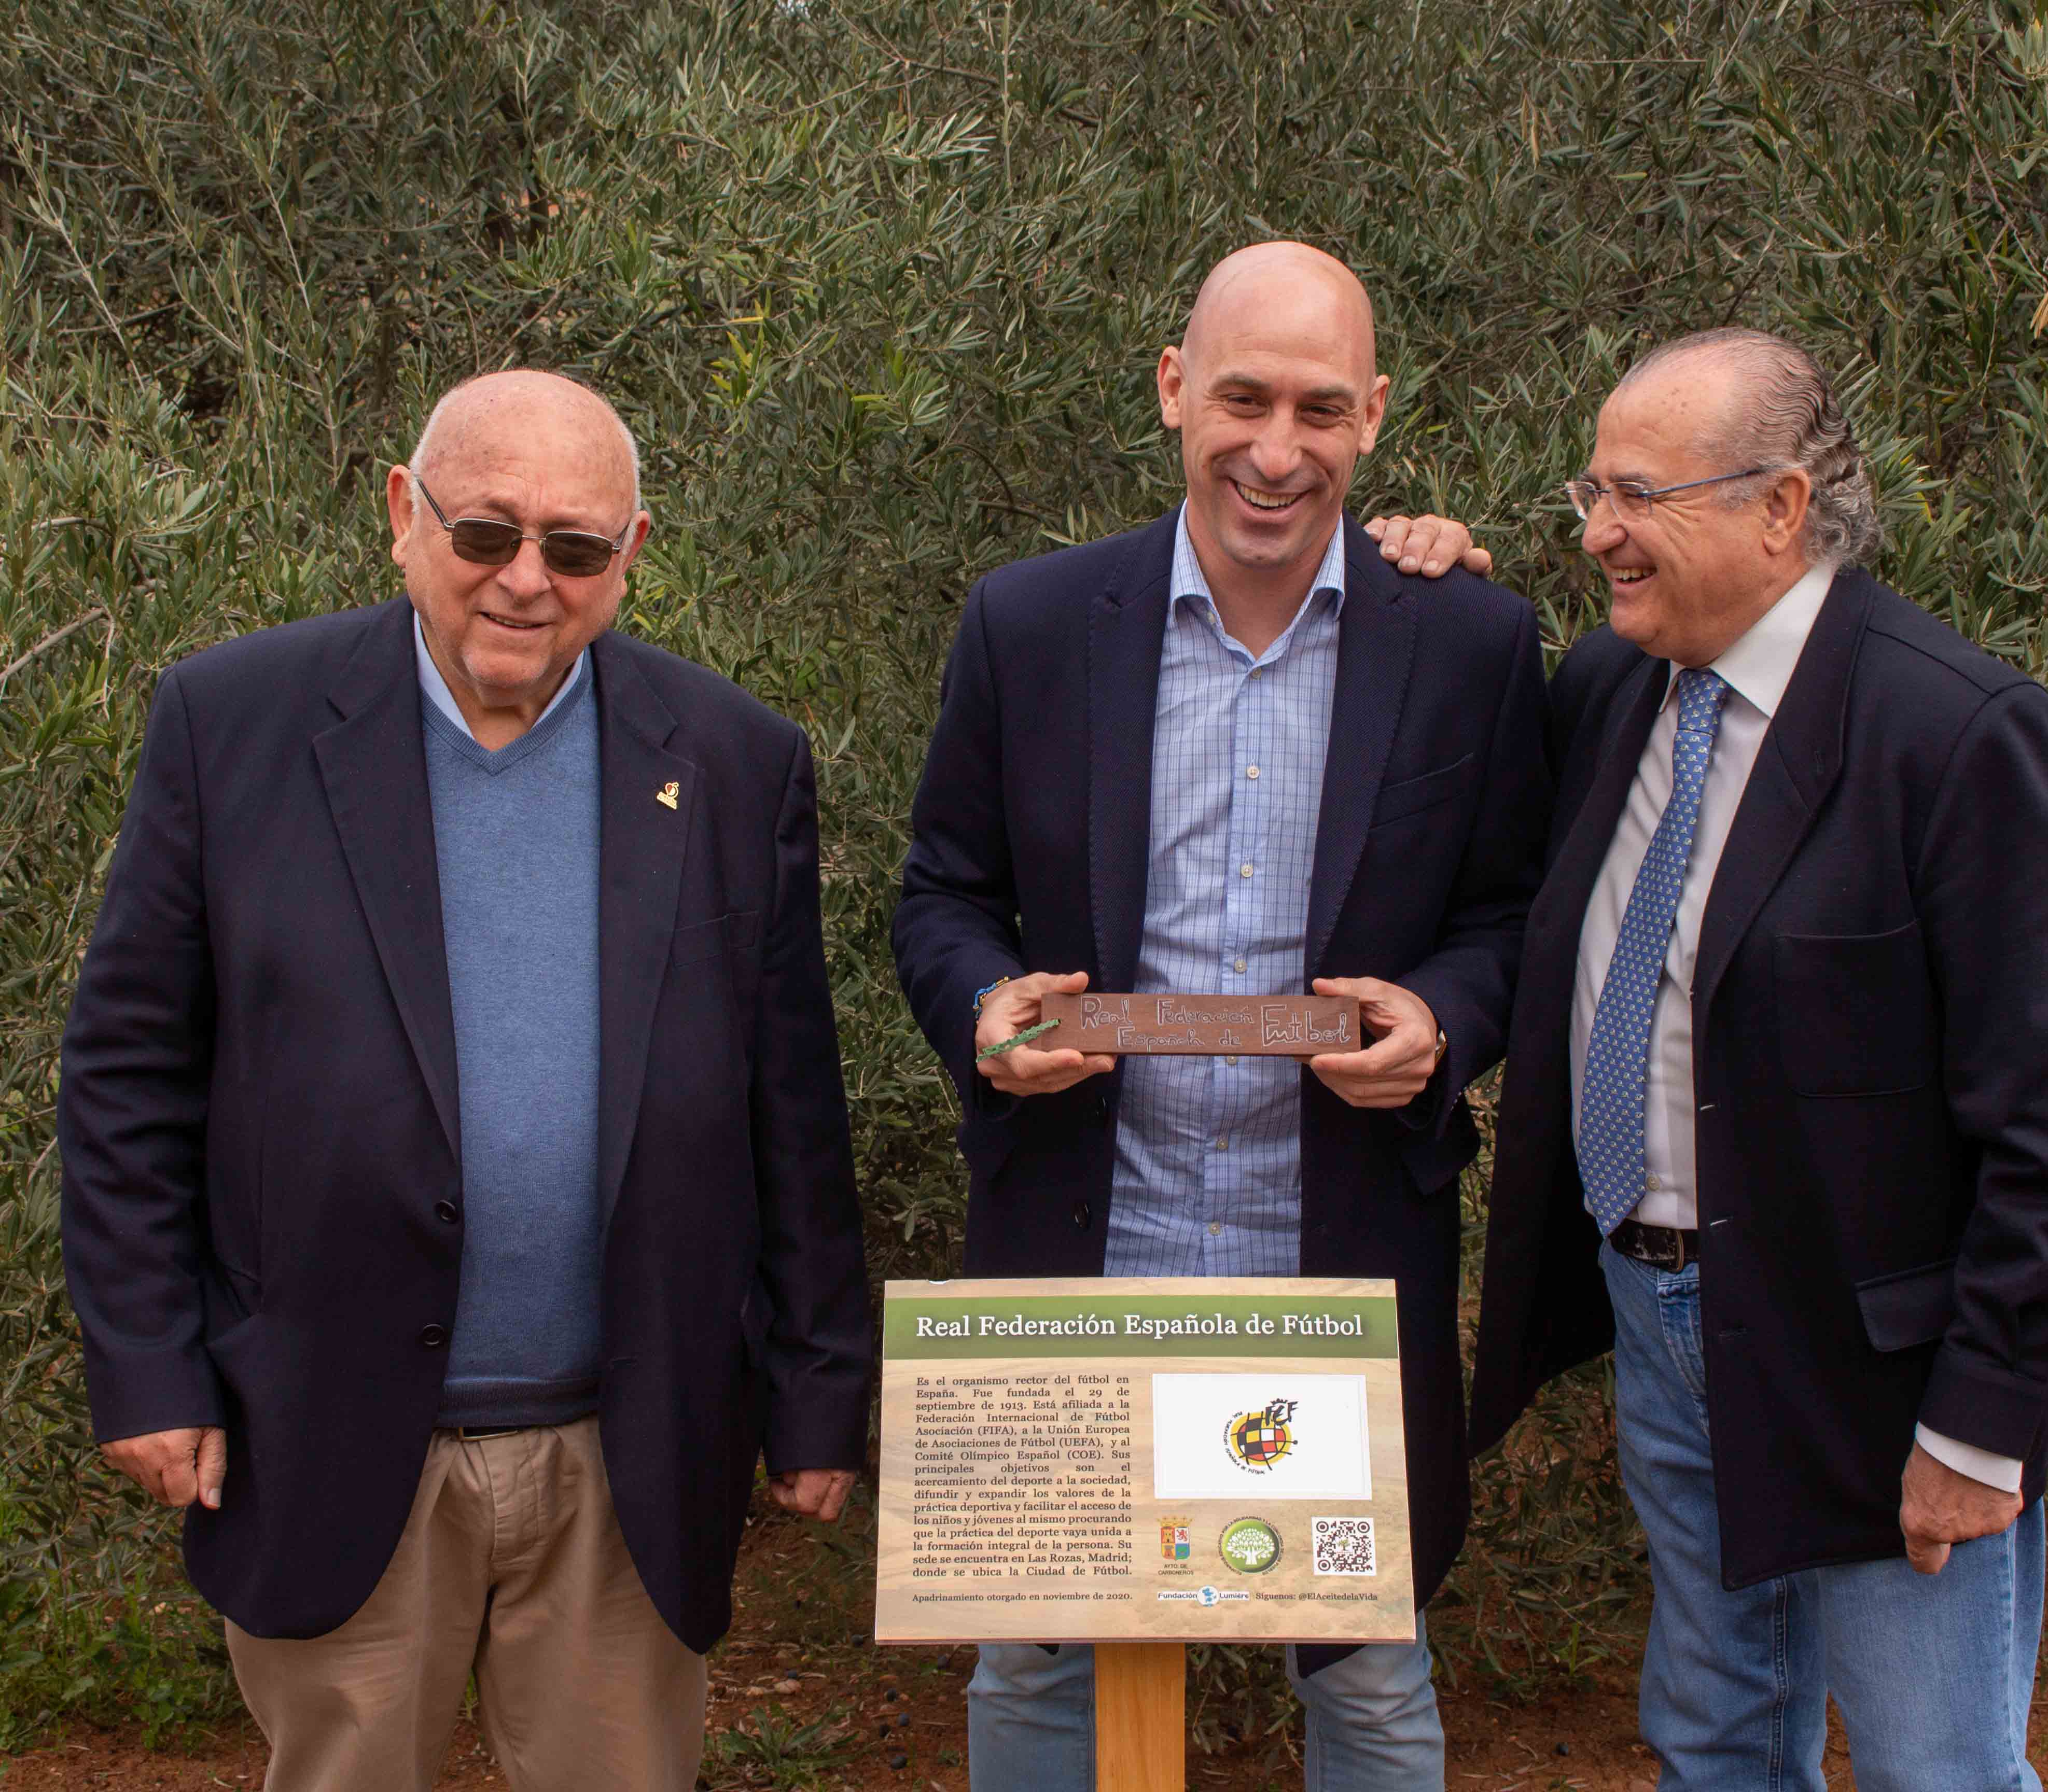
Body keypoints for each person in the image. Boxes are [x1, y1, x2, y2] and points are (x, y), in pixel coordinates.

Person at [60, 370, 871, 1791]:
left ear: (628, 553)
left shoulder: (736, 761)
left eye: (572, 547)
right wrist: (144, 1361)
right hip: (324, 1422)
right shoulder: (230, 724)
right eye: (485, 533)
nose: (523, 581)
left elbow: (788, 1107)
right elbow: (130, 1071)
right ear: (400, 513)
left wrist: (816, 1389)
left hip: (627, 1451)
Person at [891, 241, 1550, 1792]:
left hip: (1326, 1261)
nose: (1276, 447)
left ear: (1374, 414)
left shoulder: (1463, 640)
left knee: (1370, 1680)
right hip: (1077, 1239)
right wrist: (986, 1010)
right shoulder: (1033, 624)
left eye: (1319, 408)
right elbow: (939, 896)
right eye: (1242, 396)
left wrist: (1442, 1018)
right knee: (1036, 1665)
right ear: (1175, 388)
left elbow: (1515, 916)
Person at [1466, 329, 2048, 1790]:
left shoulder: (1951, 734)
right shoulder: (1607, 692)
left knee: (1928, 1768)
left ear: (1777, 508)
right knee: (1714, 1742)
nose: (1596, 532)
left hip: (1882, 1377)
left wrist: (1979, 1425)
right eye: (1591, 487)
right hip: (1659, 1313)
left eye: (1637, 494)